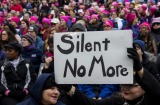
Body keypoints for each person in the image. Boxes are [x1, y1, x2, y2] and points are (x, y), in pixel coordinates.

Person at [57, 46, 160, 105]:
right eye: (123, 84)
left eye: (131, 85)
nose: (125, 88)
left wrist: (139, 68)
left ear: (144, 88)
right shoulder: (117, 99)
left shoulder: (149, 100)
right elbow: (92, 104)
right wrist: (70, 88)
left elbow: (156, 90)